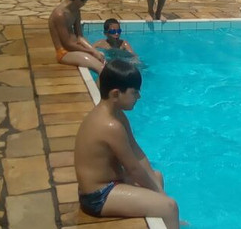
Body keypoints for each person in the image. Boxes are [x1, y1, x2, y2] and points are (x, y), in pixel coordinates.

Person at [74, 59, 179, 228]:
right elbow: (133, 169)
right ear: (116, 94)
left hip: (112, 182)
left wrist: (159, 192)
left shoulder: (117, 115)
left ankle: (169, 221)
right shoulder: (110, 126)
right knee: (170, 207)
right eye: (134, 92)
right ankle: (170, 218)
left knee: (157, 177)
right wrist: (163, 199)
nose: (139, 97)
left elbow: (137, 152)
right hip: (98, 196)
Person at [48, 0, 105, 73]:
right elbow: (67, 44)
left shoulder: (75, 10)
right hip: (64, 53)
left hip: (75, 48)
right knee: (101, 68)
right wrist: (90, 52)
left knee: (102, 61)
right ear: (79, 0)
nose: (84, 4)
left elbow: (80, 36)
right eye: (84, 2)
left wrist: (93, 50)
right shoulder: (60, 15)